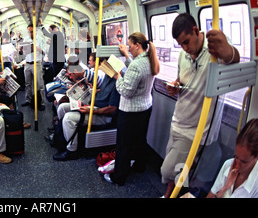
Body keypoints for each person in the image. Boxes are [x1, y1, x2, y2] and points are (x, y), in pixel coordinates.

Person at [161, 13, 240, 197]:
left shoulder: (213, 51)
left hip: (195, 131)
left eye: (186, 42)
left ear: (196, 31)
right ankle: (169, 195)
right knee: (179, 171)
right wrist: (176, 85)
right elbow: (182, 79)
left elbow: (232, 58)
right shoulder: (183, 54)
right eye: (180, 44)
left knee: (167, 170)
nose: (184, 48)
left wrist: (227, 50)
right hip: (178, 122)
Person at [104, 32, 159, 186]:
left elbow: (126, 92)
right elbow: (136, 71)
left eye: (130, 46)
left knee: (124, 144)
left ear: (137, 45)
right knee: (140, 140)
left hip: (130, 112)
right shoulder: (149, 59)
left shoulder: (136, 64)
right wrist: (127, 56)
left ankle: (119, 177)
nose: (129, 48)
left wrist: (117, 76)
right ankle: (140, 166)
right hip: (145, 107)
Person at [53, 57, 120, 161]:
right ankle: (62, 136)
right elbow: (101, 92)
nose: (101, 68)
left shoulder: (117, 84)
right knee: (62, 107)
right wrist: (92, 90)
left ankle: (72, 150)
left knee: (68, 118)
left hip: (101, 114)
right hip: (93, 106)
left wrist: (91, 110)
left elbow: (111, 109)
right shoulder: (106, 78)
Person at [207, 118, 258, 198]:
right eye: (236, 157)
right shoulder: (228, 164)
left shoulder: (256, 186)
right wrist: (224, 188)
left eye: (244, 162)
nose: (237, 165)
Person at [20, 24, 47, 110]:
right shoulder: (26, 39)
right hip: (27, 63)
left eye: (31, 31)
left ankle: (42, 102)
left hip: (37, 63)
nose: (30, 33)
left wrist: (36, 48)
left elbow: (44, 52)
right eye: (29, 32)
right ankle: (28, 100)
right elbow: (23, 53)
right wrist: (21, 50)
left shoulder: (41, 39)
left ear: (35, 31)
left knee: (40, 84)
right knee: (28, 84)